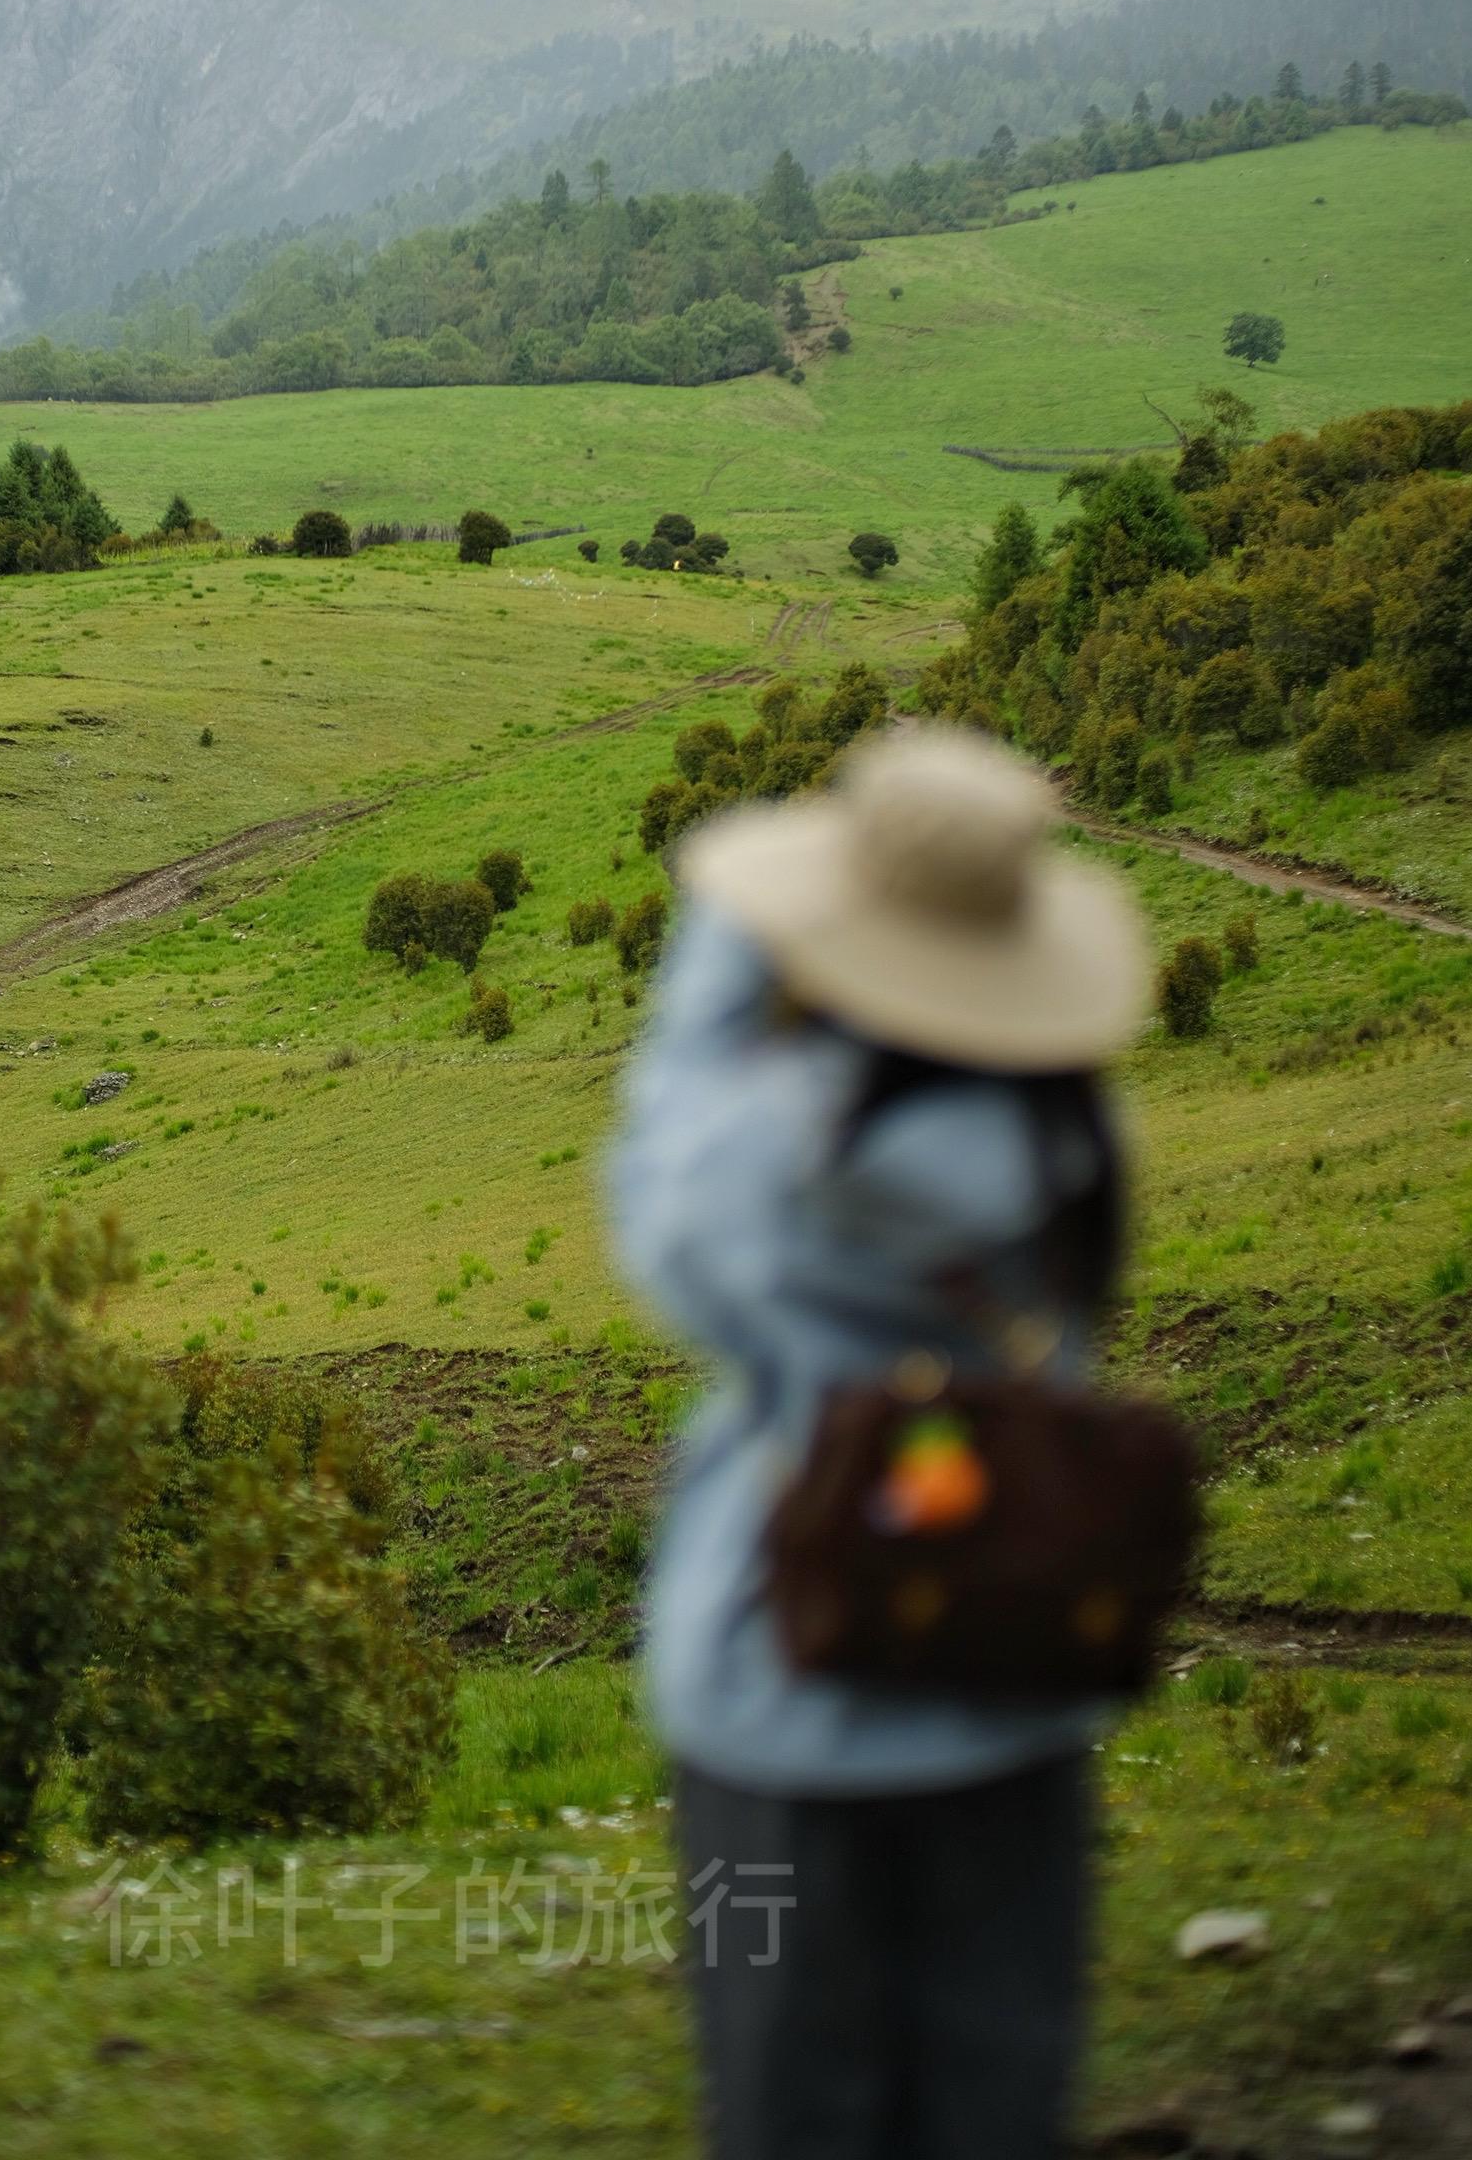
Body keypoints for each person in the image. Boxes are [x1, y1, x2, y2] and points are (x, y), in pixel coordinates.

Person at [610, 725, 1151, 2160]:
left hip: (791, 1702)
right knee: (995, 2094)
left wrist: (743, 931)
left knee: (799, 2101)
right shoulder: (1067, 1143)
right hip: (1016, 1691)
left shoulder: (789, 1166)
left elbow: (651, 1179)